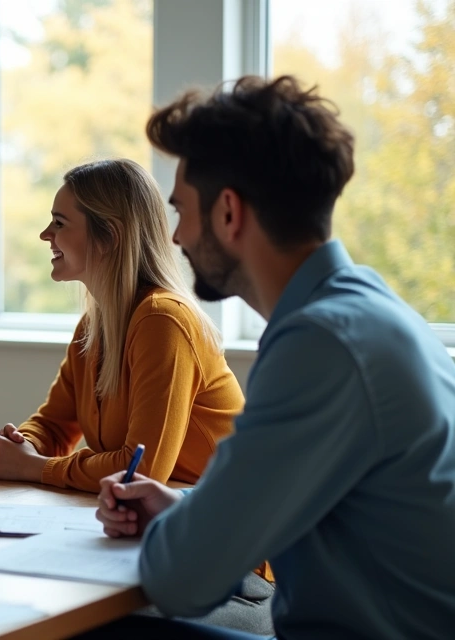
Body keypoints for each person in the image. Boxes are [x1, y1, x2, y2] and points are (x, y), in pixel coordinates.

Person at [87, 76, 455, 639]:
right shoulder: (371, 311)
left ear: (229, 213)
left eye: (181, 210)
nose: (178, 236)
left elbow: (181, 579)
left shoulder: (321, 347)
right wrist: (184, 510)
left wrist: (184, 531)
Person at [0, 158, 244, 494]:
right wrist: (20, 444)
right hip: (159, 517)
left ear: (110, 237)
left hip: (220, 523)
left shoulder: (163, 321)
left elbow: (141, 472)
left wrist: (34, 467)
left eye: (59, 223)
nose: (45, 235)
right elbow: (55, 426)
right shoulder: (95, 323)